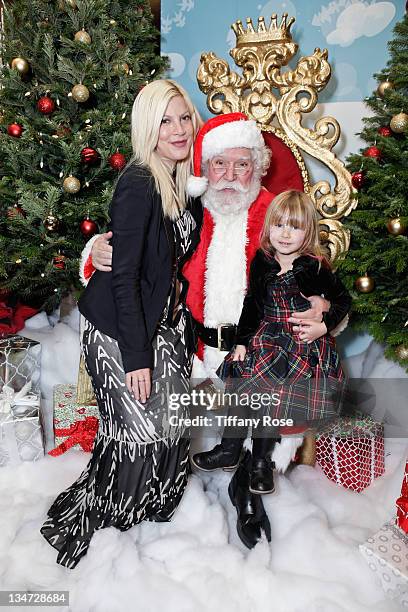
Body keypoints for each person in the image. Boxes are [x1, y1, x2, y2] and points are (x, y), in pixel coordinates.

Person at [81, 113, 342, 549]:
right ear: (205, 167)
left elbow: (319, 275)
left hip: (258, 350)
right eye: (220, 165)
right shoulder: (187, 208)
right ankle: (166, 484)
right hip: (194, 344)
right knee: (171, 418)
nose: (230, 177)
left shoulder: (275, 213)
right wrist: (98, 250)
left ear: (258, 167)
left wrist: (326, 311)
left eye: (242, 165)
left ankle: (246, 489)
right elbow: (135, 255)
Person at [40, 79, 203, 569]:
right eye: (164, 122)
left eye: (182, 117)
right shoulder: (139, 182)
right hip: (121, 331)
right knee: (137, 432)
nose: (176, 130)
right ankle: (115, 532)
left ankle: (156, 524)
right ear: (146, 129)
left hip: (165, 323)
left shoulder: (187, 181)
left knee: (172, 424)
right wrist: (136, 359)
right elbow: (125, 278)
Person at [214, 190, 352, 494]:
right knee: (243, 380)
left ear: (308, 232)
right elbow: (252, 303)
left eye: (295, 226)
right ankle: (229, 447)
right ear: (269, 228)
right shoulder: (262, 261)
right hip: (267, 335)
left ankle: (261, 463)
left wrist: (323, 327)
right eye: (279, 225)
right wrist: (240, 342)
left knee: (271, 398)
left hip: (299, 344)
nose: (286, 233)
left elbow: (343, 300)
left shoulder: (314, 266)